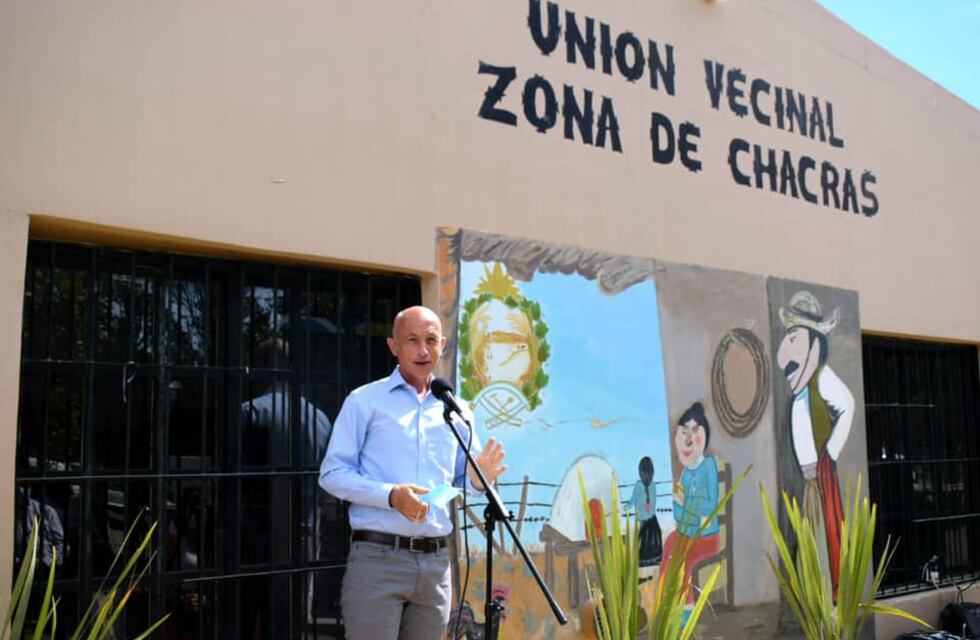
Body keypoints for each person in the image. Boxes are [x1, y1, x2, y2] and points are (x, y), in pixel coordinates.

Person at [319, 306, 507, 640]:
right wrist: (391, 496)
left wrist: (479, 481)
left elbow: (466, 482)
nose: (423, 350)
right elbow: (332, 474)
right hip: (378, 559)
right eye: (413, 340)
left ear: (443, 344)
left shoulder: (457, 410)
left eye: (431, 340)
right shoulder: (365, 401)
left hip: (436, 564)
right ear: (393, 346)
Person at [776, 290, 854, 598]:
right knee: (813, 541)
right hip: (810, 481)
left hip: (820, 477)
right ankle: (814, 596)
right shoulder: (803, 388)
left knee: (827, 537)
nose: (788, 346)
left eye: (795, 337)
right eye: (789, 336)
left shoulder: (822, 377)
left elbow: (848, 406)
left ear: (813, 341)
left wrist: (829, 454)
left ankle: (829, 601)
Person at [659, 402, 719, 617]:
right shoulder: (684, 473)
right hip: (687, 533)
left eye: (694, 432)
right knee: (668, 546)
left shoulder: (708, 465)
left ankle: (685, 614)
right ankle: (665, 603)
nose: (688, 439)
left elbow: (711, 506)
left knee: (681, 556)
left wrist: (687, 502)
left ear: (704, 437)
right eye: (683, 433)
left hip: (706, 537)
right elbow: (677, 513)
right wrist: (684, 505)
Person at [629, 456, 663, 578]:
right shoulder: (649, 486)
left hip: (645, 520)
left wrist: (624, 508)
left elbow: (632, 502)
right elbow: (652, 504)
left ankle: (647, 566)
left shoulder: (641, 486)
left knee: (645, 542)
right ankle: (652, 563)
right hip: (651, 520)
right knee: (652, 542)